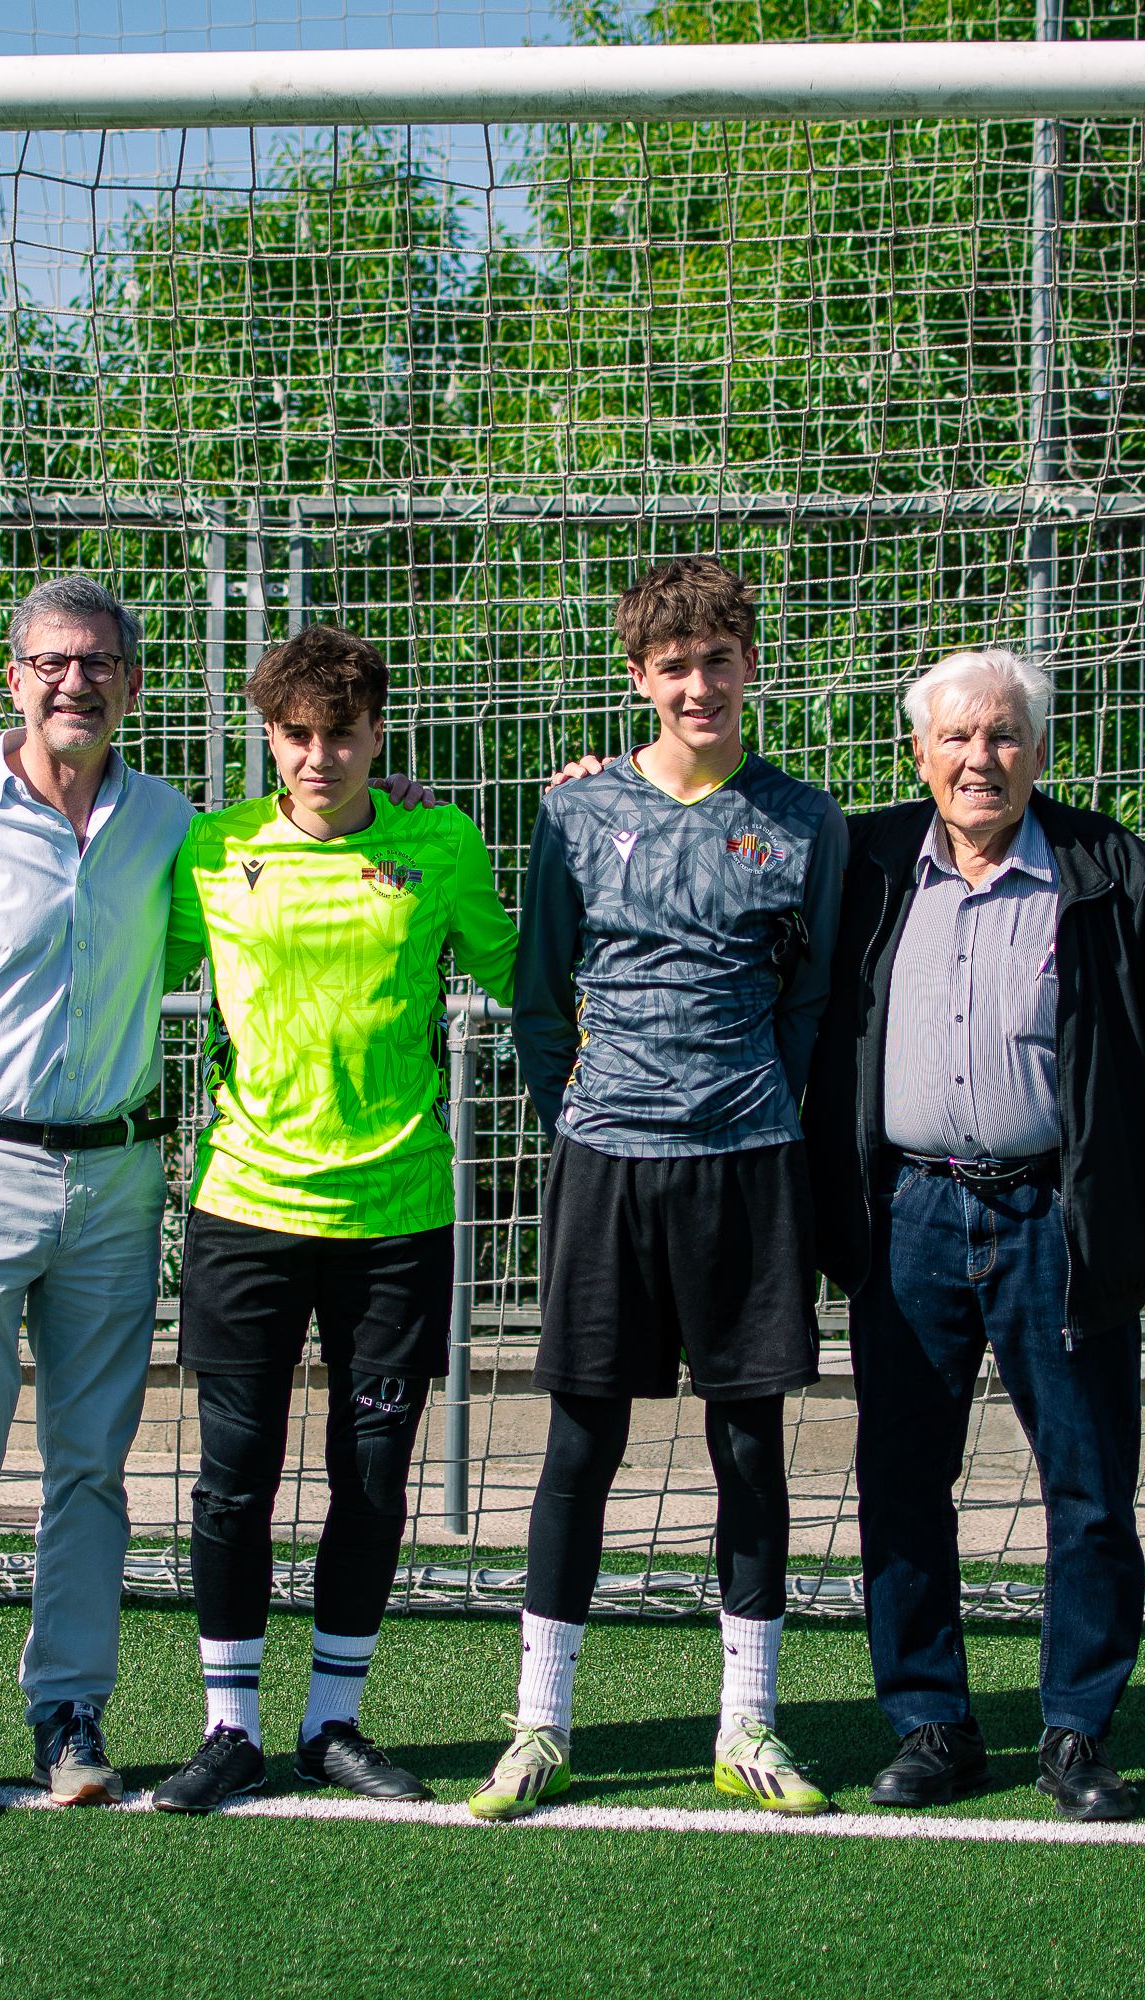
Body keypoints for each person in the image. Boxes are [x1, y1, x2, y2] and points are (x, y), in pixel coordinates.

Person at [0, 575, 441, 1822]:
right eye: (53, 662)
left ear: (132, 685)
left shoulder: (175, 827)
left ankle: (71, 1709)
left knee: (91, 1469)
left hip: (116, 1178)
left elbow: (305, 849)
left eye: (99, 663)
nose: (75, 682)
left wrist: (393, 813)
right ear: (15, 679)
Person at [802, 646, 1145, 1822]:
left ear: (1039, 752)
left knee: (1089, 1486)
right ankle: (930, 1722)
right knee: (900, 1479)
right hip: (908, 1214)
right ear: (919, 754)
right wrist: (601, 788)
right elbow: (734, 845)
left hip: (1063, 1213)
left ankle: (1077, 1730)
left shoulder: (1111, 871)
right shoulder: (866, 860)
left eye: (1002, 736)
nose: (979, 759)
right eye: (955, 738)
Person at [469, 556, 848, 1824]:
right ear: (639, 676)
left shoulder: (805, 817)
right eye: (673, 665)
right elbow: (538, 989)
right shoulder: (575, 815)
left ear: (752, 664)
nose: (699, 684)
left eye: (720, 658)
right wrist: (572, 1113)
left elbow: (811, 997)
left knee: (749, 1442)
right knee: (583, 1438)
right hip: (606, 1161)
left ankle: (750, 1724)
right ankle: (542, 1724)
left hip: (747, 1161)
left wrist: (763, 1104)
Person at [145, 623, 518, 1814]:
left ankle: (333, 1721)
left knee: (371, 1472)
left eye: (342, 735)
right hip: (246, 1206)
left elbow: (523, 970)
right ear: (269, 736)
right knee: (236, 1473)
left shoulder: (438, 840)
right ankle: (231, 1724)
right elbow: (105, 946)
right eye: (297, 736)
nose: (319, 758)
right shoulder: (212, 850)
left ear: (376, 735)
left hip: (399, 1210)